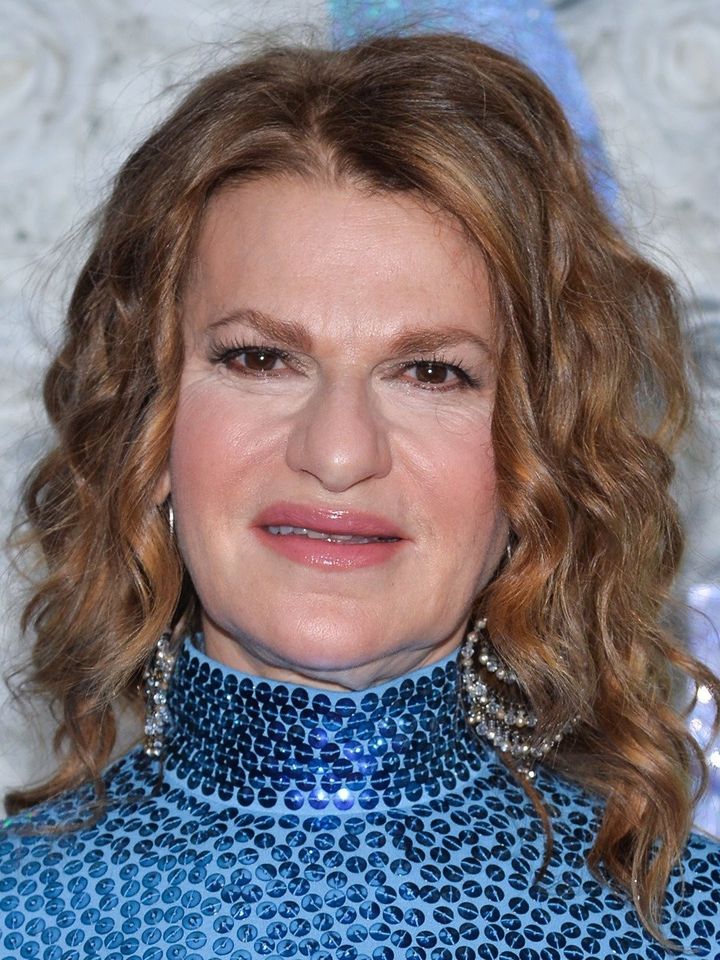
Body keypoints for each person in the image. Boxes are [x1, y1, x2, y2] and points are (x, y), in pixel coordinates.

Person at [1, 25, 719, 960]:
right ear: (150, 424)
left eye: (431, 372)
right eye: (260, 359)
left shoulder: (686, 924)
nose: (338, 453)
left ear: (541, 457)